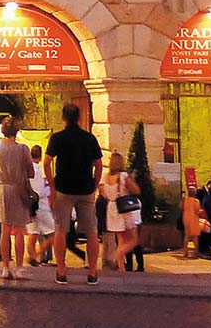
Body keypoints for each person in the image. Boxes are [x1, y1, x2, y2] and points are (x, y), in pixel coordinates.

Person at [45, 102, 103, 285]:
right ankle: (92, 272)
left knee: (61, 230)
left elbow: (47, 162)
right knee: (92, 232)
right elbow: (99, 164)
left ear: (63, 118)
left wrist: (53, 186)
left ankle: (61, 271)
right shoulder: (89, 138)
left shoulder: (57, 138)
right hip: (85, 188)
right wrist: (94, 184)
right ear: (78, 117)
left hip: (64, 189)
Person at [0, 116, 34, 280]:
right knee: (19, 231)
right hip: (18, 189)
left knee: (4, 230)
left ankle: (5, 267)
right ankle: (18, 268)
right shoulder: (23, 149)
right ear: (16, 131)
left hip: (3, 189)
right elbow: (31, 172)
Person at [98, 150, 142, 275]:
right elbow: (136, 190)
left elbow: (103, 193)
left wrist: (112, 197)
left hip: (111, 208)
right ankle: (117, 256)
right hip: (124, 209)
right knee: (134, 239)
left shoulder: (105, 177)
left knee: (120, 240)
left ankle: (121, 268)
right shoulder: (123, 176)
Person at [26, 144, 55, 266]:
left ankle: (33, 257)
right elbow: (39, 191)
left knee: (32, 234)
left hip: (29, 205)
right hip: (41, 206)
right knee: (54, 232)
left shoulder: (26, 169)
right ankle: (37, 253)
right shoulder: (37, 170)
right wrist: (48, 189)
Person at [181, 188, 207, 260]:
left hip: (185, 218)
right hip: (194, 219)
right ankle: (196, 252)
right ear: (194, 193)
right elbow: (197, 211)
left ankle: (185, 252)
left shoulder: (184, 200)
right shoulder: (196, 201)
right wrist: (202, 211)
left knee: (186, 235)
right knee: (195, 236)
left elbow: (181, 208)